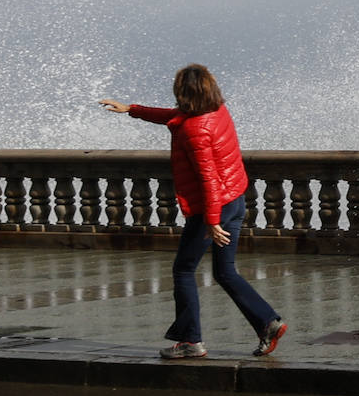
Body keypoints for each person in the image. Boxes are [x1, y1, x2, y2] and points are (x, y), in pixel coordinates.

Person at [99, 65, 286, 359]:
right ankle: (268, 323)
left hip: (213, 209)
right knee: (225, 271)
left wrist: (212, 222)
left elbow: (208, 179)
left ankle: (191, 341)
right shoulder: (216, 110)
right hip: (235, 199)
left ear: (184, 92)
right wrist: (132, 109)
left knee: (184, 270)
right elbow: (172, 117)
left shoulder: (194, 130)